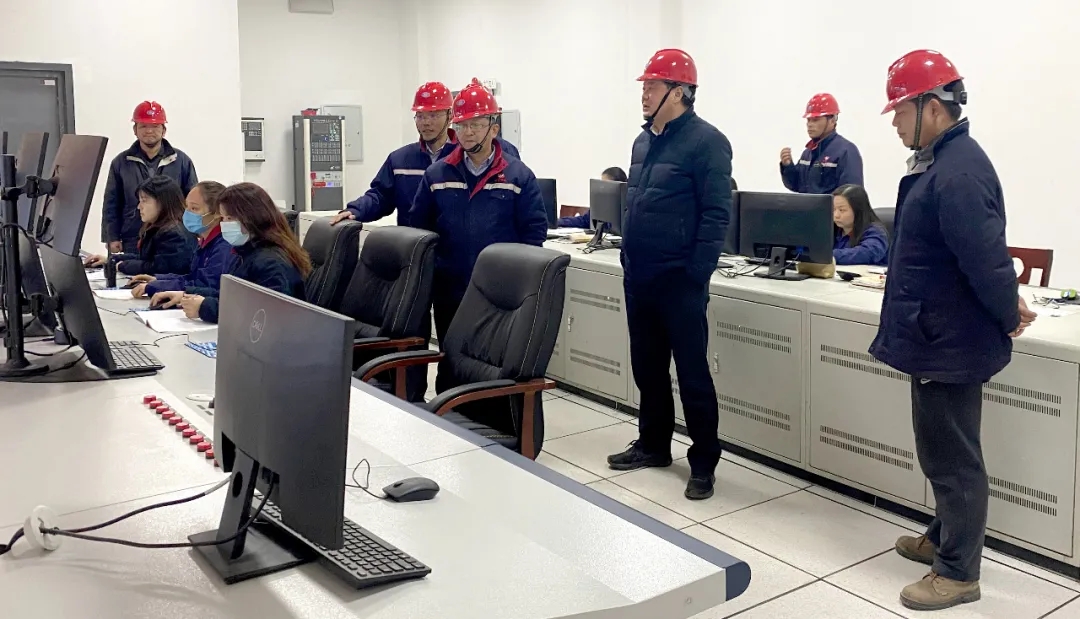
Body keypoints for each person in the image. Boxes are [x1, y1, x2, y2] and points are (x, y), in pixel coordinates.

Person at [870, 49, 1037, 611]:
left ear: (933, 108)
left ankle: (959, 573)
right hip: (936, 332)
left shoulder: (958, 170)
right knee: (940, 448)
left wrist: (1008, 311)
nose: (894, 122)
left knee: (953, 460)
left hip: (949, 339)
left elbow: (986, 259)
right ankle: (943, 538)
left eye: (900, 110)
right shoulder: (942, 162)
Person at [606, 49, 732, 501]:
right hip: (640, 277)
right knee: (648, 368)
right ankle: (654, 444)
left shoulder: (707, 142)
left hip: (680, 281)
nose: (644, 94)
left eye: (652, 86)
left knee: (693, 374)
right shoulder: (642, 143)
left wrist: (696, 272)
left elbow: (717, 214)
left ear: (678, 92)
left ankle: (704, 462)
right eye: (644, 86)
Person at [410, 77, 548, 390]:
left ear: (493, 128)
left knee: (493, 369)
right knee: (451, 366)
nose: (468, 132)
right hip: (451, 290)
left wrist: (522, 288)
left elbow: (534, 234)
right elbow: (420, 229)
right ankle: (449, 416)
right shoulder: (437, 174)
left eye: (476, 124)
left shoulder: (518, 176)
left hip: (501, 295)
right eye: (461, 125)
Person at [151, 183, 310, 323]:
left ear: (251, 217)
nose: (223, 224)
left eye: (229, 218)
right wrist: (186, 295)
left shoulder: (271, 262)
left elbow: (264, 314)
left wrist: (206, 307)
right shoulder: (245, 253)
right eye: (223, 218)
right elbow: (231, 295)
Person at [330, 82, 458, 228]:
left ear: (450, 116)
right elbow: (380, 196)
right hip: (413, 241)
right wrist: (355, 210)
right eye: (420, 116)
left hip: (452, 242)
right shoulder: (400, 160)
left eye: (433, 115)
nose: (426, 122)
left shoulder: (465, 159)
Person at [102, 101, 198, 254]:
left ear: (164, 130)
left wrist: (195, 232)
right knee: (130, 268)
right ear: (135, 130)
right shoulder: (121, 163)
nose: (149, 131)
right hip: (133, 238)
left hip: (172, 238)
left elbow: (192, 199)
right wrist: (112, 237)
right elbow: (112, 203)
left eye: (155, 126)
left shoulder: (181, 161)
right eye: (143, 126)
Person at [130, 181, 229, 300]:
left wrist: (157, 286)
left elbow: (204, 285)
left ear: (217, 213)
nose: (187, 213)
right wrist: (159, 279)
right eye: (187, 206)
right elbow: (192, 277)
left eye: (194, 208)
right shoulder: (205, 241)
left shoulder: (223, 246)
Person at [85, 176, 195, 277]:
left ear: (163, 202)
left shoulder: (174, 234)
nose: (139, 207)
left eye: (144, 201)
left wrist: (120, 266)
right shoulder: (158, 228)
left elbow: (158, 268)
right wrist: (111, 260)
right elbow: (145, 258)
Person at [780, 93, 863, 194]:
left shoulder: (846, 152)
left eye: (815, 120)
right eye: (808, 120)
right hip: (808, 205)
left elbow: (852, 195)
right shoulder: (807, 154)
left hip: (830, 205)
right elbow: (796, 185)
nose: (810, 124)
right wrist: (788, 167)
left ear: (832, 120)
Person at [831, 184, 888, 266]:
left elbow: (867, 253)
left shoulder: (875, 231)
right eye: (833, 209)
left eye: (842, 210)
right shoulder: (833, 229)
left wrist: (828, 256)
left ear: (858, 210)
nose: (836, 215)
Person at [557, 167, 627, 229]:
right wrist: (559, 221)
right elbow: (584, 221)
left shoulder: (628, 209)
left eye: (606, 185)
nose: (602, 189)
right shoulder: (601, 204)